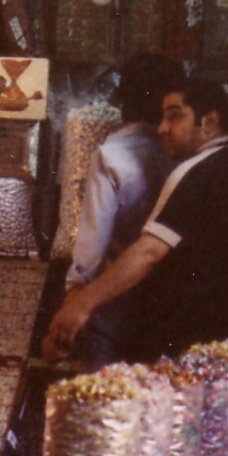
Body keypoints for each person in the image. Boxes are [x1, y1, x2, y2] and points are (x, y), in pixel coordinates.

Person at [45, 77, 228, 363]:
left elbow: (149, 252)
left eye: (174, 117)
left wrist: (81, 303)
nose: (161, 129)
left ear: (209, 121)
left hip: (193, 336)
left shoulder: (195, 171)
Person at [51, 53, 183, 366]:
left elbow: (93, 244)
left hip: (112, 298)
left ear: (124, 100)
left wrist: (75, 293)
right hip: (167, 300)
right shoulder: (180, 155)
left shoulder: (111, 155)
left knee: (108, 396)